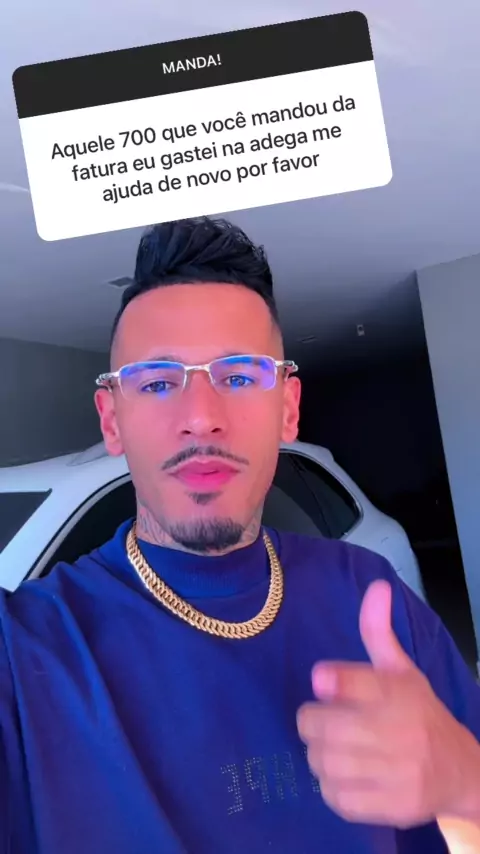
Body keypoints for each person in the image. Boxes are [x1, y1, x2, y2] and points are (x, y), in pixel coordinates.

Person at [0, 216, 479, 854]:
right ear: (112, 421)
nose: (202, 418)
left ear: (288, 409)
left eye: (240, 376)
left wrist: (464, 782)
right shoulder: (24, 651)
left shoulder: (370, 592)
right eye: (158, 382)